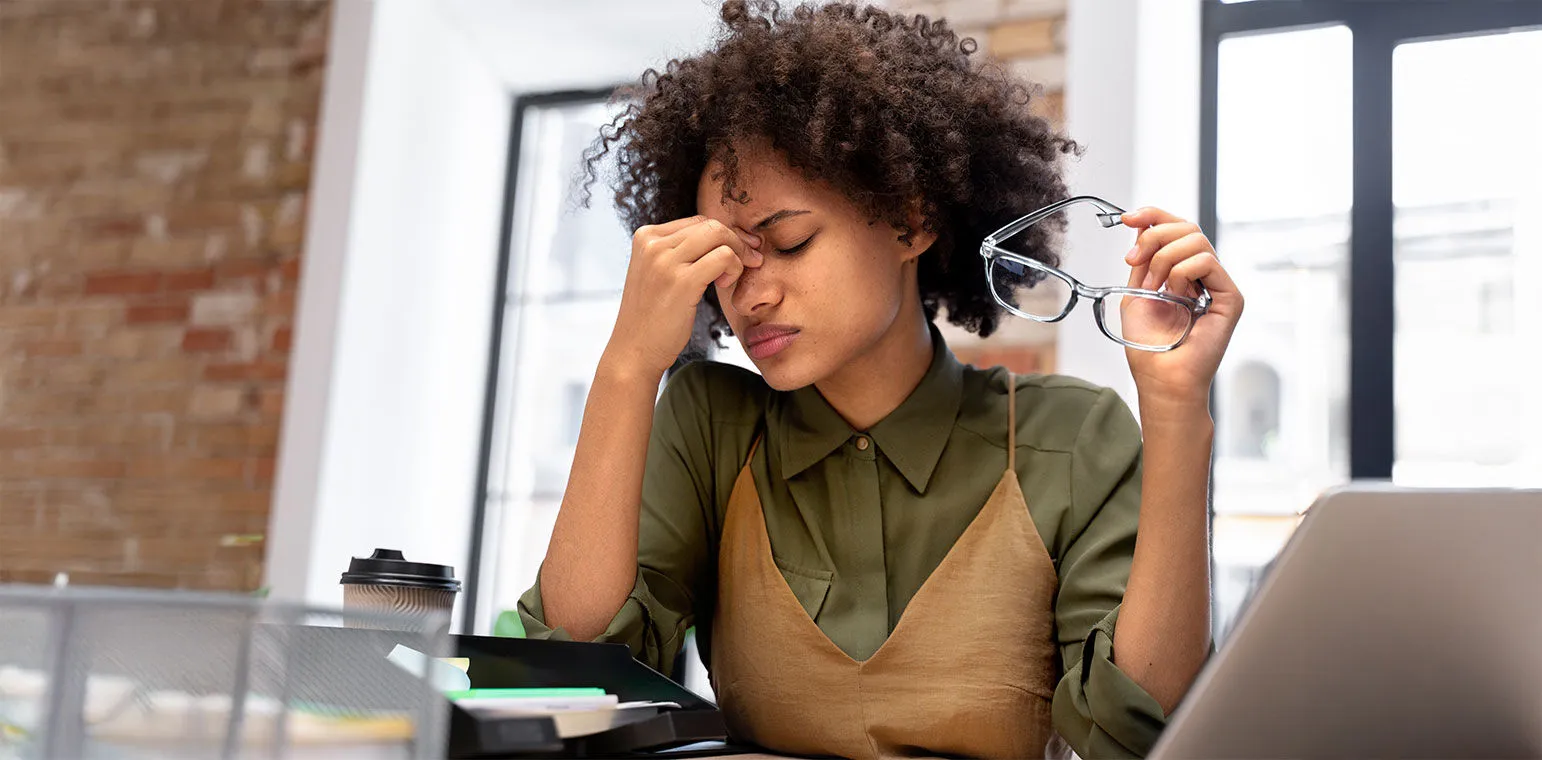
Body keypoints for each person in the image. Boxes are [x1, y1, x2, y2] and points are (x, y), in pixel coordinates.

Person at [517, 2, 1242, 758]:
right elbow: (573, 680)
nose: (751, 292)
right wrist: (627, 367)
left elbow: (1139, 730)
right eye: (727, 260)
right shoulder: (711, 425)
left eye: (789, 242)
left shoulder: (1071, 438)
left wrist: (1177, 410)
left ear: (910, 220)